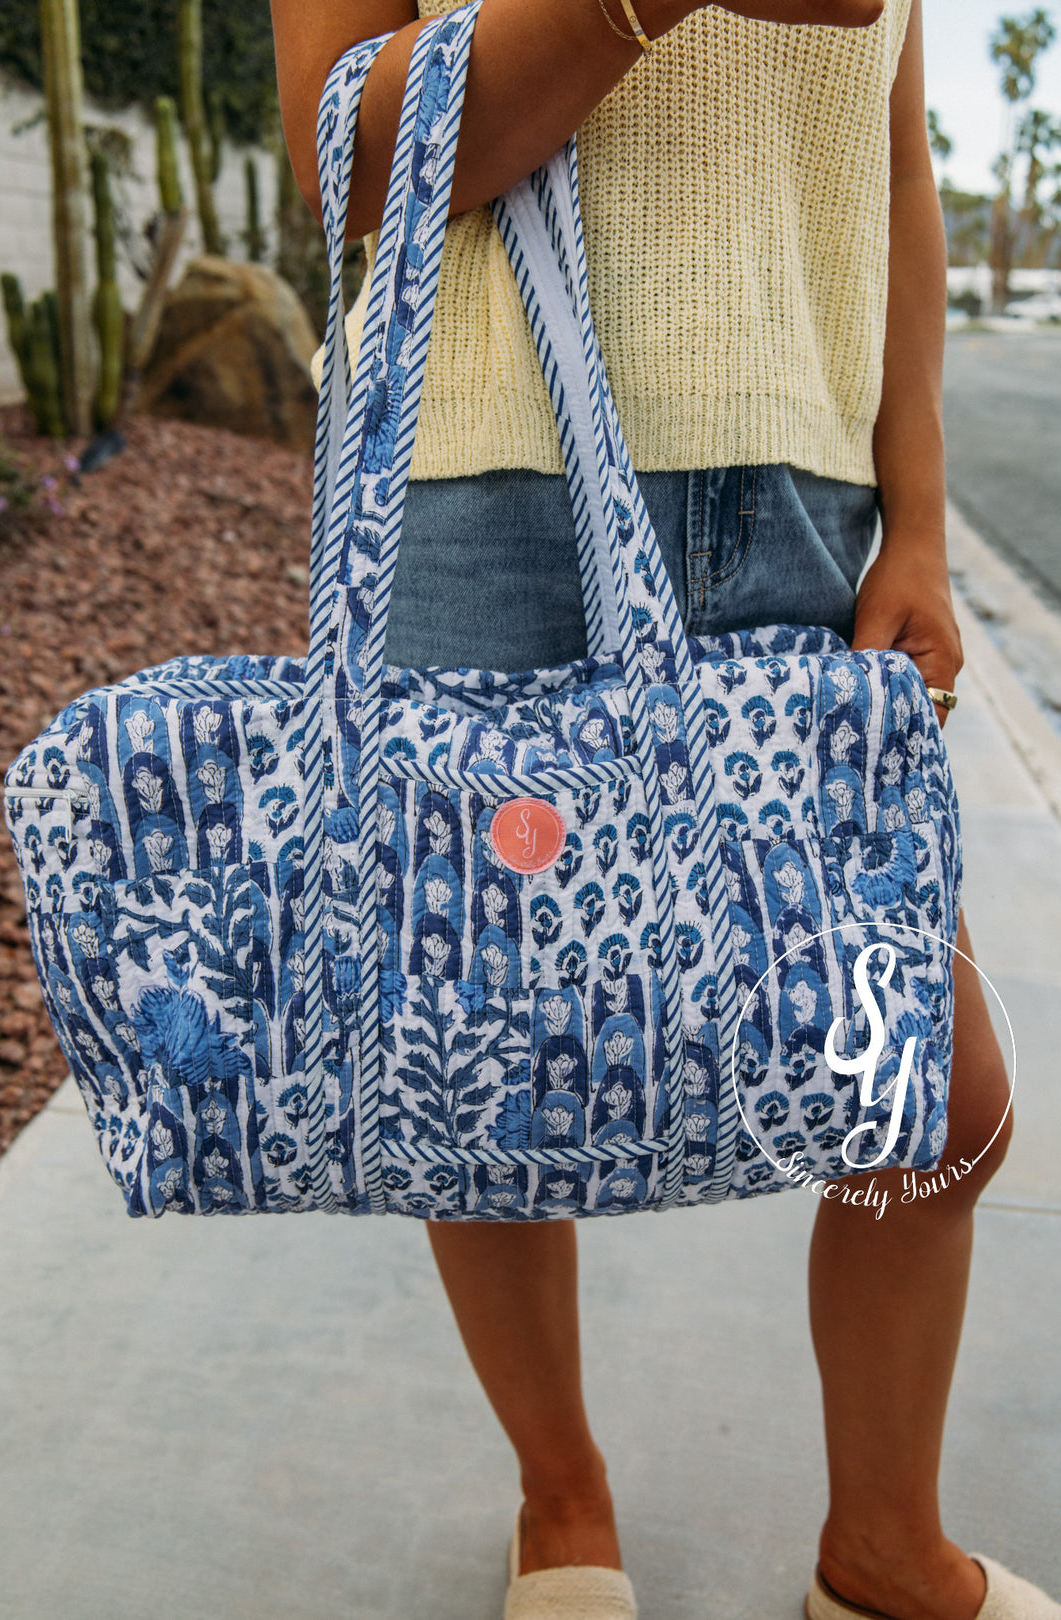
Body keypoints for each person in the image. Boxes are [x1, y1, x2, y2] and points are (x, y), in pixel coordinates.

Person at [269, 2, 1058, 1617]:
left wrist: (918, 513)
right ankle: (560, 1494)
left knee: (935, 1098)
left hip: (806, 503)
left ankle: (878, 1547)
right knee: (481, 1083)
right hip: (483, 490)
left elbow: (890, 161)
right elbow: (350, 150)